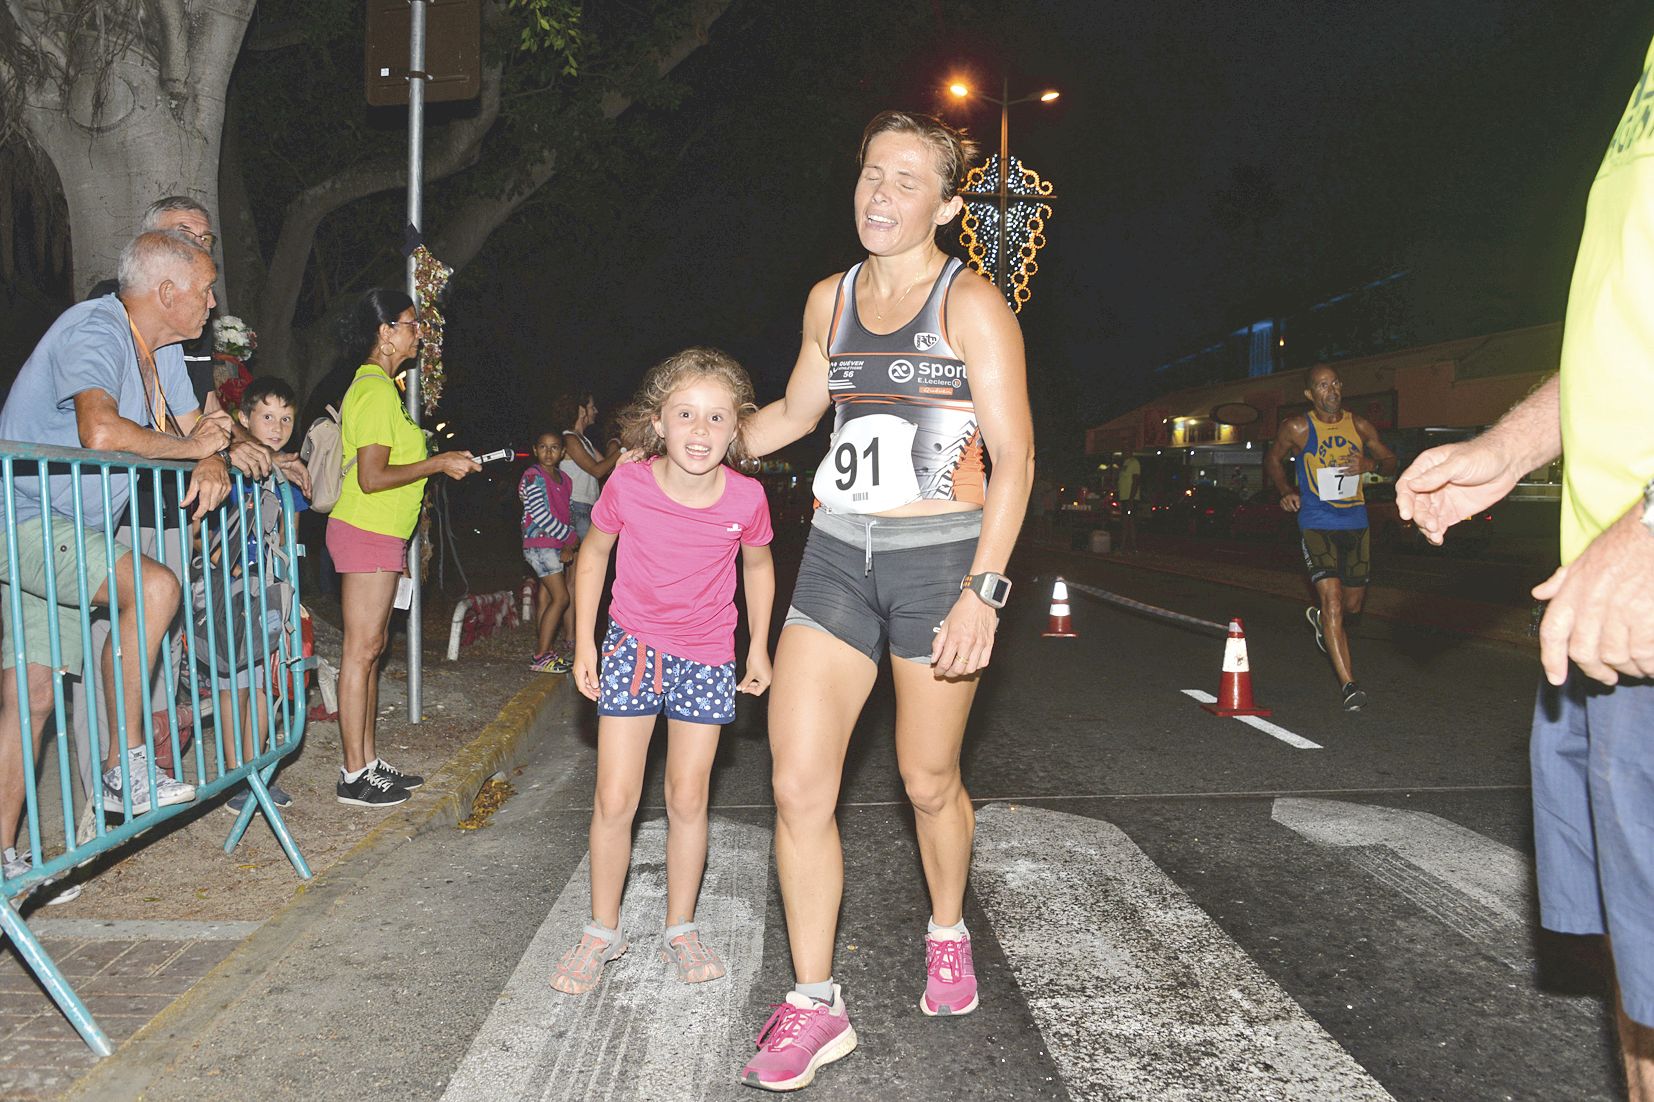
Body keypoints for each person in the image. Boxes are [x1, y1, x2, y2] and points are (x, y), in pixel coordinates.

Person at [731, 110, 1034, 1092]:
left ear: (947, 204)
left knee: (926, 780)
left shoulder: (972, 304)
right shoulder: (830, 299)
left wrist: (984, 589)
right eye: (871, 174)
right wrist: (706, 432)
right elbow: (794, 414)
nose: (880, 194)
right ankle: (814, 1003)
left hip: (938, 559)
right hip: (833, 557)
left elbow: (1017, 456)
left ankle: (947, 928)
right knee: (795, 785)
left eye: (906, 180)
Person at [1397, 38, 1654, 1099]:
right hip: (1603, 620)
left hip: (1634, 571)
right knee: (1638, 985)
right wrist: (1507, 447)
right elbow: (1620, 333)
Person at [0, 230, 235, 892]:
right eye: (205, 289)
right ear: (166, 292)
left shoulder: (148, 356)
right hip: (29, 519)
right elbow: (99, 432)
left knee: (33, 693)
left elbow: (175, 440)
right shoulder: (95, 328)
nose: (212, 304)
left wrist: (208, 451)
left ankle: (0, 856)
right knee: (155, 589)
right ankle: (123, 766)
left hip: (55, 527)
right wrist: (195, 452)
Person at [556, 348, 774, 994]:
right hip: (632, 648)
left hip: (707, 658)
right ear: (658, 423)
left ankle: (681, 926)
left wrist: (759, 645)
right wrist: (584, 642)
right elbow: (592, 557)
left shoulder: (747, 497)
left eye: (715, 418)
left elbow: (758, 567)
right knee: (615, 797)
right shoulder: (629, 485)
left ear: (736, 430)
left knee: (688, 797)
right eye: (685, 414)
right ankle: (602, 929)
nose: (700, 431)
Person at [326, 288, 480, 808]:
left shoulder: (383, 389)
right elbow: (371, 478)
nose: (420, 333)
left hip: (383, 535)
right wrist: (437, 464)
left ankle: (367, 762)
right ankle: (353, 775)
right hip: (365, 529)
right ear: (385, 331)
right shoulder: (371, 390)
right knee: (360, 651)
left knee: (373, 651)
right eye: (412, 324)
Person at [1264, 364, 1397, 711]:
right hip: (1316, 520)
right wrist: (1284, 490)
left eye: (1335, 382)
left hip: (1355, 521)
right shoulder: (1297, 427)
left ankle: (1324, 624)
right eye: (1322, 385)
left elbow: (1390, 460)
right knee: (1333, 600)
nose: (1331, 389)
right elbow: (1274, 459)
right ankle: (1349, 686)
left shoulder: (1359, 425)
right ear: (1310, 393)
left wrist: (1370, 465)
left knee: (1352, 606)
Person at [221, 377, 309, 815]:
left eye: (286, 418)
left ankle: (253, 769)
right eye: (267, 416)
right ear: (244, 419)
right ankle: (234, 773)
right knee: (231, 680)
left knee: (261, 681)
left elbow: (291, 534)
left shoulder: (285, 476)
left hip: (271, 590)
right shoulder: (231, 467)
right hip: (232, 591)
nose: (276, 426)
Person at [551, 392, 620, 649]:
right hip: (573, 509)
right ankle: (572, 638)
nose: (596, 411)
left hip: (587, 510)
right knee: (574, 580)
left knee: (581, 579)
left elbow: (611, 467)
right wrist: (621, 448)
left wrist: (621, 453)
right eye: (592, 406)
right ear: (581, 409)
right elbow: (597, 469)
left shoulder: (583, 441)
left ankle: (576, 637)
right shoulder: (569, 438)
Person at [520, 431, 579, 674]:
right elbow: (540, 514)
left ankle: (546, 649)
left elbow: (568, 512)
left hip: (554, 545)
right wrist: (570, 537)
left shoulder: (565, 479)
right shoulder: (533, 476)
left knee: (549, 595)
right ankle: (541, 655)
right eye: (543, 447)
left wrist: (567, 544)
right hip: (538, 544)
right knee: (562, 597)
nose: (548, 452)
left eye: (554, 448)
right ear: (535, 449)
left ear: (562, 452)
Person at [1117, 452, 1142, 553]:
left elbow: (1135, 481)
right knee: (1128, 522)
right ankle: (1131, 547)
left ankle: (1126, 547)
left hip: (1130, 498)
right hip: (1124, 498)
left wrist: (1131, 499)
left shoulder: (1134, 463)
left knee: (1127, 522)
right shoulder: (1125, 463)